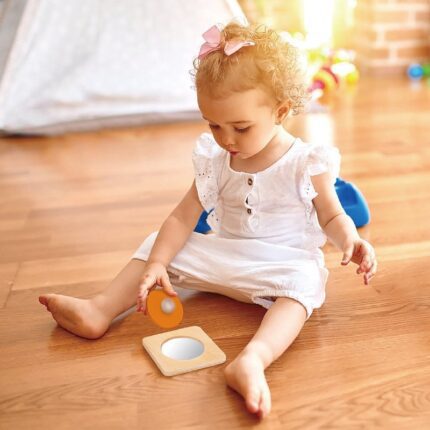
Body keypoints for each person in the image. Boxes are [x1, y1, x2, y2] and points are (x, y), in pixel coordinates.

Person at [39, 21, 377, 420]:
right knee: (157, 242)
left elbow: (332, 214)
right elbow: (182, 217)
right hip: (225, 256)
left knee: (305, 282)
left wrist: (350, 240)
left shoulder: (306, 162)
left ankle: (252, 360)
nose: (226, 139)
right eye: (213, 124)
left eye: (241, 128)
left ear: (281, 111)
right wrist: (158, 264)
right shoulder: (216, 160)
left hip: (279, 266)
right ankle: (100, 310)